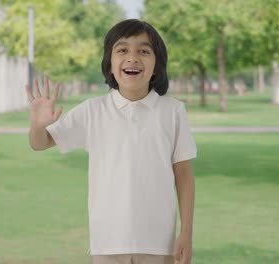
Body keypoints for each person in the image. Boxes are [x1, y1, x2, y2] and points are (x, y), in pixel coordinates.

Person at [26, 19, 197, 264]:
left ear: (157, 65)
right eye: (123, 50)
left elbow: (183, 174)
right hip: (107, 241)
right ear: (110, 63)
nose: (133, 57)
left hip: (159, 242)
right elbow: (40, 143)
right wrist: (37, 126)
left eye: (144, 51)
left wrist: (187, 232)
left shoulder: (173, 112)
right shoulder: (92, 111)